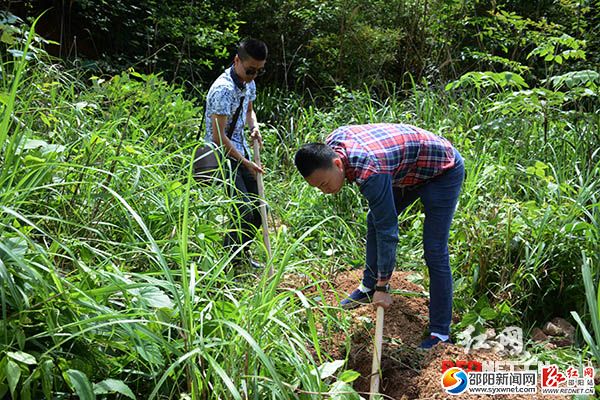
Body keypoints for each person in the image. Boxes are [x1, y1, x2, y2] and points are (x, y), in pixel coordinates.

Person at [294, 123, 465, 349]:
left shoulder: (370, 171)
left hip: (441, 170)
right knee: (374, 217)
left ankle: (440, 332)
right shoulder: (334, 144)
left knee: (434, 250)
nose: (324, 191)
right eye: (318, 187)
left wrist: (384, 287)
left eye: (325, 184)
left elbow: (389, 232)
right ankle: (368, 287)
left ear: (337, 163)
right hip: (406, 169)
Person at [204, 38, 268, 268]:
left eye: (259, 71)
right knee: (243, 210)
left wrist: (254, 127)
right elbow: (218, 137)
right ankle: (228, 262)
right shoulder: (223, 90)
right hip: (221, 155)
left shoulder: (248, 83)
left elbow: (249, 111)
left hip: (240, 151)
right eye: (250, 70)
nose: (253, 75)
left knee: (260, 208)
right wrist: (245, 162)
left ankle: (241, 255)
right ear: (236, 60)